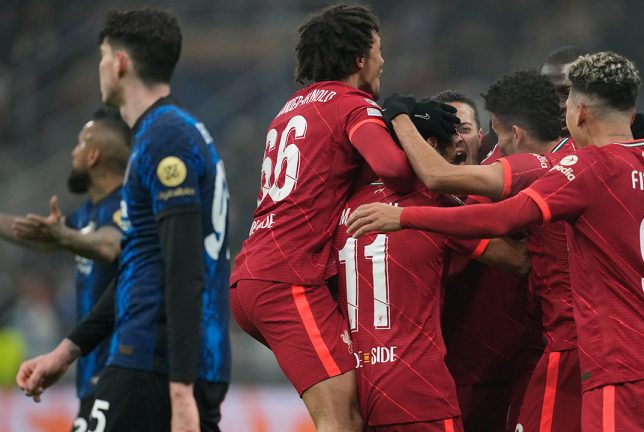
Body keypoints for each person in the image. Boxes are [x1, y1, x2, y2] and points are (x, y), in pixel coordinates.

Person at [346, 52, 644, 431]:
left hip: (596, 354)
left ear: (578, 112)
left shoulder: (580, 167)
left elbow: (471, 198)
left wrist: (405, 212)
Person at [228, 5, 457, 431]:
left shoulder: (289, 108)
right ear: (359, 60)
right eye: (379, 50)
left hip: (256, 274)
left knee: (356, 403)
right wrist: (399, 116)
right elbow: (396, 171)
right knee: (341, 419)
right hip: (288, 280)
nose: (383, 61)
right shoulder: (353, 104)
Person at [16, 8, 231, 432]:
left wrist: (180, 389)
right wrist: (66, 353)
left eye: (101, 57)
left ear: (119, 62)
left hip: (153, 365)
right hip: (160, 362)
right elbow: (142, 264)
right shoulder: (169, 132)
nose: (99, 68)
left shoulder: (165, 137)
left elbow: (183, 267)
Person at [336, 118, 529, 431]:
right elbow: (519, 260)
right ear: (431, 147)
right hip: (419, 389)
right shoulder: (434, 205)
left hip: (360, 385)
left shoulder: (345, 207)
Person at [1, 107, 128, 430]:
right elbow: (44, 238)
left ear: (94, 155)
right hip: (91, 376)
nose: (72, 152)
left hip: (119, 374)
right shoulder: (87, 212)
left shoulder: (125, 205)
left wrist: (66, 237)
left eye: (79, 145)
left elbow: (109, 244)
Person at [432, 90, 483, 165]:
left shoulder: (501, 173)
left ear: (480, 137)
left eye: (464, 129)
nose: (456, 139)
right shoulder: (411, 175)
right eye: (445, 130)